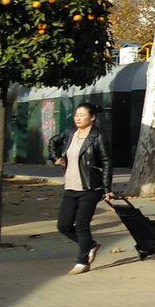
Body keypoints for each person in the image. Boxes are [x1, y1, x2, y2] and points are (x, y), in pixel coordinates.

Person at [50, 103, 114, 274]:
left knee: (81, 225)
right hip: (70, 187)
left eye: (82, 115)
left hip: (90, 188)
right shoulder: (70, 133)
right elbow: (53, 141)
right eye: (76, 115)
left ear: (92, 117)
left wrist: (107, 188)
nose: (77, 118)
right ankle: (91, 245)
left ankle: (82, 261)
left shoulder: (98, 136)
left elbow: (107, 162)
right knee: (63, 226)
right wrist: (55, 157)